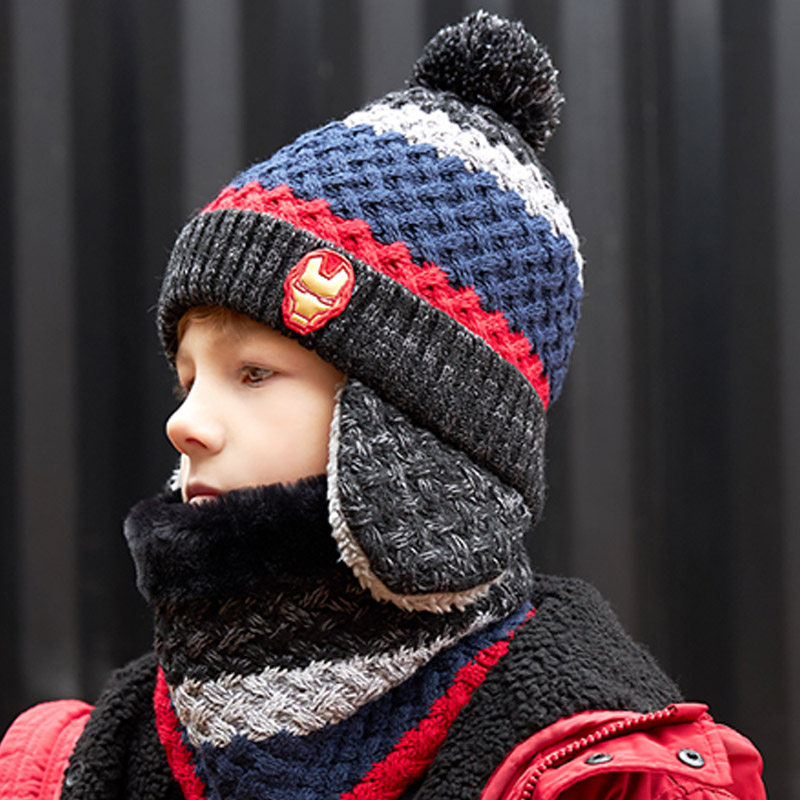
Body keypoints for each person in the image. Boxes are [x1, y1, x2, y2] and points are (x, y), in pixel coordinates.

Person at [0, 11, 765, 800]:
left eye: (254, 373)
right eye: (186, 380)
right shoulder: (70, 767)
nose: (184, 423)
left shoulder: (601, 777)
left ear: (423, 427)